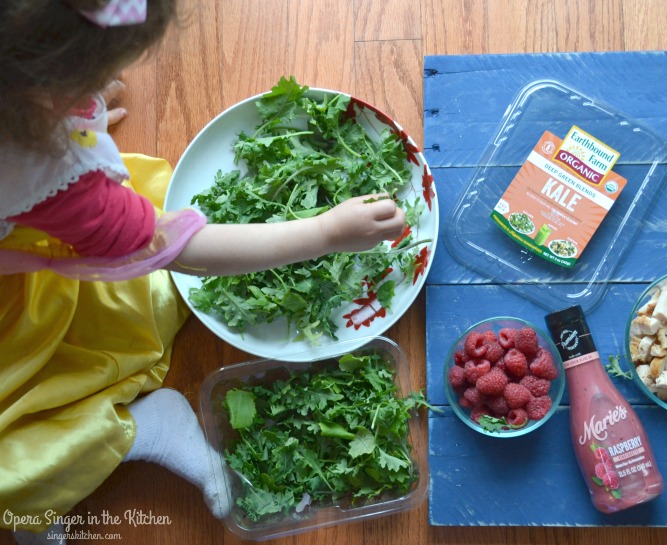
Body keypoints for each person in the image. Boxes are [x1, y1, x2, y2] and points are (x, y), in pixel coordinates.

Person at [0, 1, 407, 543]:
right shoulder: (63, 189)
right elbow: (180, 248)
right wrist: (327, 233)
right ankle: (136, 433)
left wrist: (64, 114)